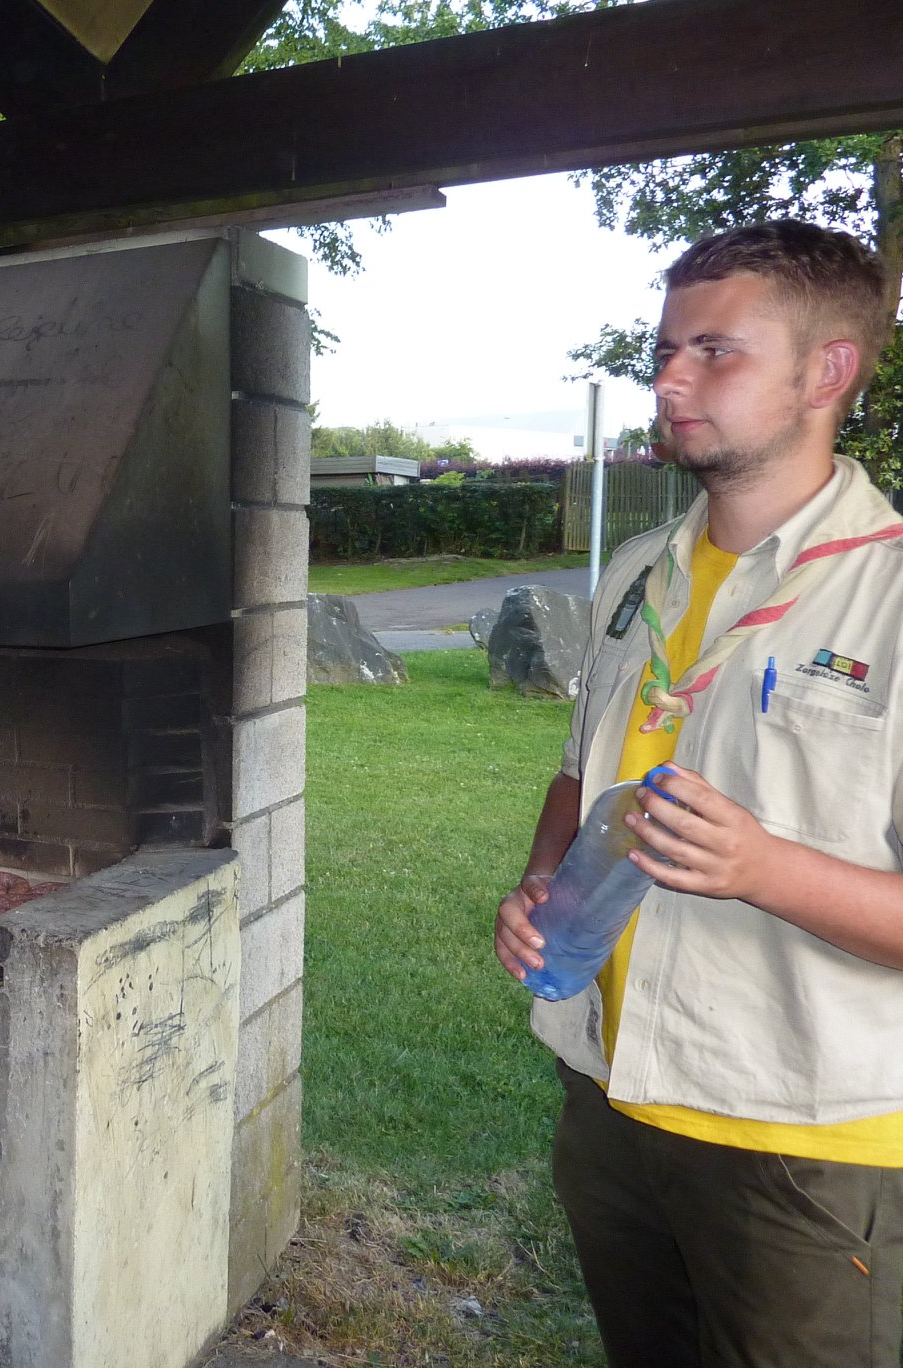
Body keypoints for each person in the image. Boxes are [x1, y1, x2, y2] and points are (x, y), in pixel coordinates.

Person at [495, 220, 903, 1368]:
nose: (669, 378)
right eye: (665, 350)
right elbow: (583, 773)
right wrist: (540, 880)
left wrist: (765, 871)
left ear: (827, 372)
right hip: (613, 1101)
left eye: (714, 351)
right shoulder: (638, 573)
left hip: (806, 1143)